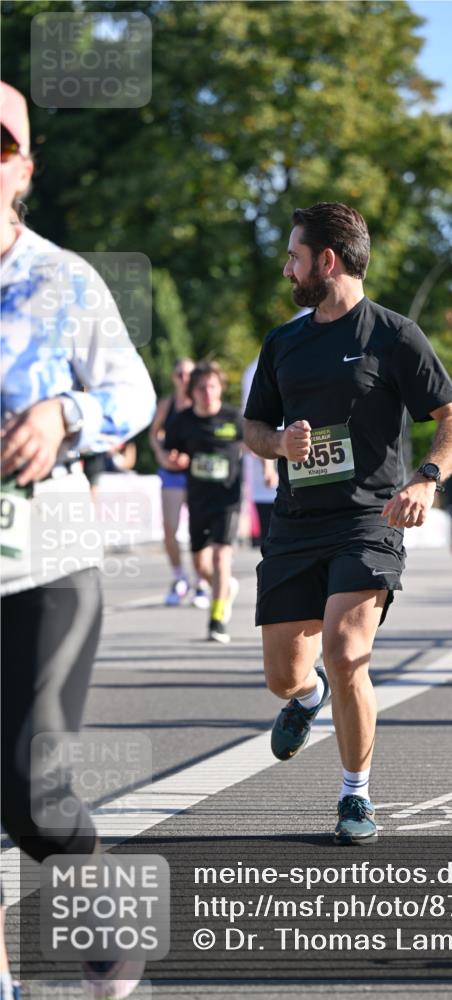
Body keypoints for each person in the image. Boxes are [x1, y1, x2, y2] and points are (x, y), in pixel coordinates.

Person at [243, 202, 452, 844]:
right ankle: (306, 698)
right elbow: (252, 426)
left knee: (348, 654)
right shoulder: (283, 342)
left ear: (327, 261)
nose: (286, 267)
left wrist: (427, 478)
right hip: (295, 524)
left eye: (293, 255)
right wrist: (278, 444)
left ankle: (355, 797)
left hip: (368, 521)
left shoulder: (394, 335)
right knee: (283, 675)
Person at [0, 81, 155, 999]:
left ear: (24, 165)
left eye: (0, 142)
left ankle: (110, 930)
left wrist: (66, 412)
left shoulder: (63, 279)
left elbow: (134, 397)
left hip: (45, 564)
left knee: (31, 789)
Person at [163, 361, 243, 643]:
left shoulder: (234, 418)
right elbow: (167, 450)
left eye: (212, 386)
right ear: (192, 391)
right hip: (197, 499)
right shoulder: (183, 421)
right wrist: (172, 460)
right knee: (200, 565)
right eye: (201, 388)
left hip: (228, 499)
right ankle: (224, 588)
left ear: (220, 388)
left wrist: (269, 470)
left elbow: (256, 445)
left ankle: (217, 617)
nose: (207, 393)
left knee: (222, 556)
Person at [148, 357, 196, 605]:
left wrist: (191, 458)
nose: (184, 379)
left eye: (189, 374)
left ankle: (204, 582)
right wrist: (161, 454)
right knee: (170, 529)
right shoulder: (167, 404)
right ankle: (179, 576)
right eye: (179, 374)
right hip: (171, 473)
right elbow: (154, 432)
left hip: (197, 473)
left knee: (201, 529)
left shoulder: (200, 403)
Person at [241, 356, 279, 546]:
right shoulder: (256, 369)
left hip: (311, 473)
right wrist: (268, 467)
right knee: (271, 544)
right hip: (268, 483)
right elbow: (257, 423)